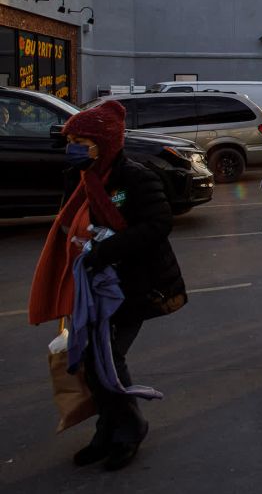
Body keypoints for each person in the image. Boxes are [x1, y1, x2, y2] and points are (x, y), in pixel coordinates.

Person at [28, 100, 186, 471]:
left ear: (106, 142)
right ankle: (107, 430)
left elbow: (158, 224)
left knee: (107, 360)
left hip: (135, 285)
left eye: (83, 140)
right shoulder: (81, 177)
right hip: (92, 286)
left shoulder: (136, 177)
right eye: (72, 139)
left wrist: (106, 248)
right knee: (89, 361)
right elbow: (72, 222)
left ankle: (130, 429)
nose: (74, 147)